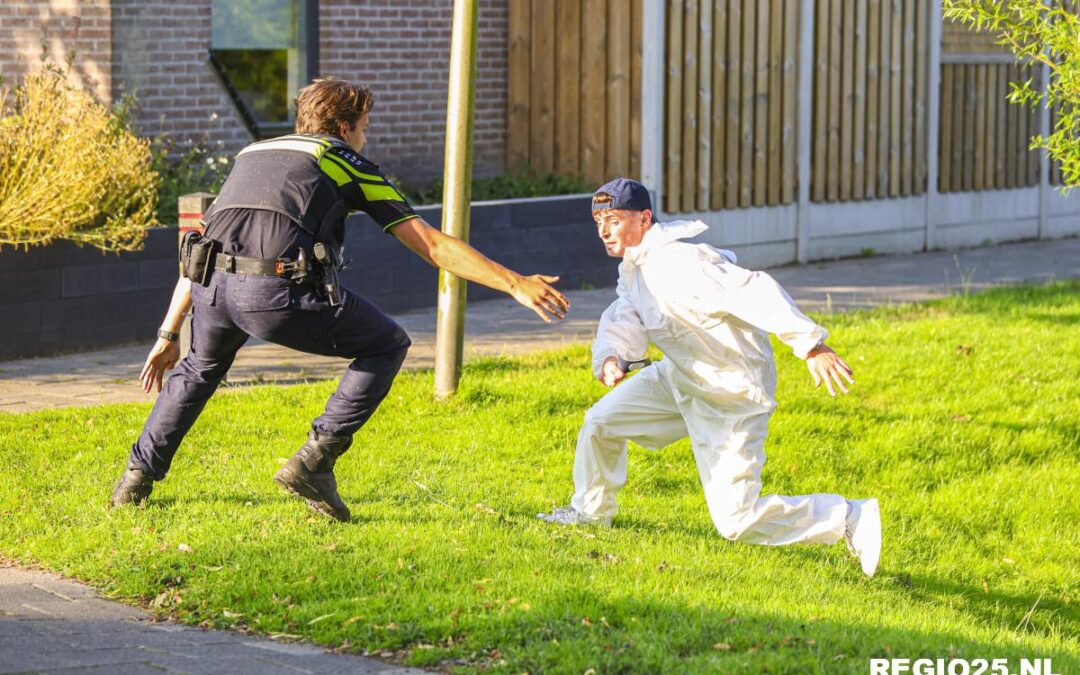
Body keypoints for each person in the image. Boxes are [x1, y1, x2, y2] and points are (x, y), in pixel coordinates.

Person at [110, 78, 570, 522]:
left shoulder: (253, 153)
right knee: (386, 344)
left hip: (211, 289)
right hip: (274, 294)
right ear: (345, 127)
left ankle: (135, 481)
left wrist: (169, 332)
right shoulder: (344, 160)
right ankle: (315, 460)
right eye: (365, 126)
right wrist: (514, 283)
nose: (365, 137)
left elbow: (199, 250)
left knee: (198, 368)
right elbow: (429, 244)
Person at [537, 178, 881, 576]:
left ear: (645, 218)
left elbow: (754, 290)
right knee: (601, 422)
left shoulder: (683, 262)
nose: (603, 230)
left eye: (612, 219)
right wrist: (612, 356)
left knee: (737, 521)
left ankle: (848, 516)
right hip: (680, 377)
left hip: (730, 395)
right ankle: (590, 513)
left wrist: (810, 344)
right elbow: (626, 315)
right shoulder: (634, 270)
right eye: (598, 220)